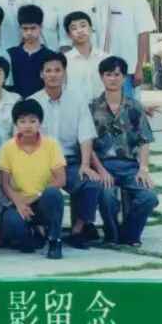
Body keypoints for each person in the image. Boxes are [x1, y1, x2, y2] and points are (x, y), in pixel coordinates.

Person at [30, 52, 103, 248]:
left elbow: (86, 135)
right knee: (35, 187)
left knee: (90, 183)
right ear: (41, 74)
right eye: (48, 71)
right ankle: (40, 229)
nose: (53, 75)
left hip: (70, 161)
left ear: (64, 73)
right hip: (41, 162)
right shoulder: (33, 102)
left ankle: (78, 230)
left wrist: (85, 165)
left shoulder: (77, 100)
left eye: (57, 70)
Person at [92, 56, 160, 246]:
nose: (113, 78)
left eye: (117, 74)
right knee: (106, 196)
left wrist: (143, 168)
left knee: (149, 197)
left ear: (124, 78)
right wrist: (100, 170)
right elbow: (87, 144)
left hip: (130, 166)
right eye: (108, 74)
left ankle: (130, 234)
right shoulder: (92, 108)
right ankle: (112, 233)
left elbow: (145, 139)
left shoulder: (135, 106)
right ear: (101, 77)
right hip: (103, 166)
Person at [0, 99, 66, 259]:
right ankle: (34, 235)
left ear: (40, 123)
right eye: (22, 121)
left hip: (42, 200)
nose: (27, 126)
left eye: (32, 121)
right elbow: (4, 184)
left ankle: (54, 240)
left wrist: (35, 196)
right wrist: (19, 203)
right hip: (19, 203)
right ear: (16, 124)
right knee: (12, 224)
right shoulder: (7, 147)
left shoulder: (51, 145)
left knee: (53, 194)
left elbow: (61, 179)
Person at [104, 0, 156, 97]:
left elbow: (143, 34)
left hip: (129, 69)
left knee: (129, 107)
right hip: (105, 67)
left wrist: (139, 67)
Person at [7, 5, 57, 99]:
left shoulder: (51, 56)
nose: (29, 32)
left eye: (33, 28)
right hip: (15, 104)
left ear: (41, 27)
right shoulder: (10, 54)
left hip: (42, 104)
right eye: (25, 28)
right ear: (20, 28)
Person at [63, 11, 109, 103]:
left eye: (83, 26)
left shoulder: (105, 58)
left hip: (103, 108)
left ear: (91, 29)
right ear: (68, 35)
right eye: (74, 28)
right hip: (76, 108)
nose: (80, 31)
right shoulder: (64, 61)